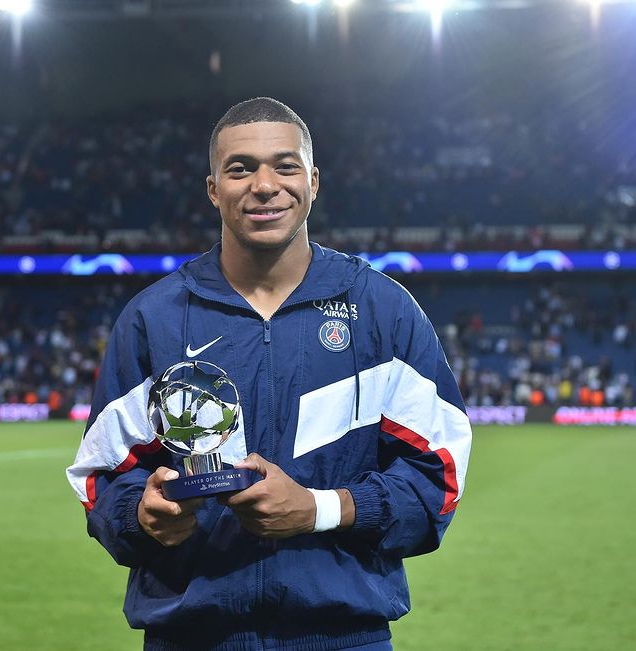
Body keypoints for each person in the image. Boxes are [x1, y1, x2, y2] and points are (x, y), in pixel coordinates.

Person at [67, 97, 472, 651]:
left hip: (345, 638)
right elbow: (103, 479)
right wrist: (143, 516)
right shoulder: (152, 319)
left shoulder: (384, 310)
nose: (264, 184)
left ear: (313, 180)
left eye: (286, 166)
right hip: (189, 638)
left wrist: (318, 510)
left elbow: (436, 480)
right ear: (213, 188)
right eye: (240, 168)